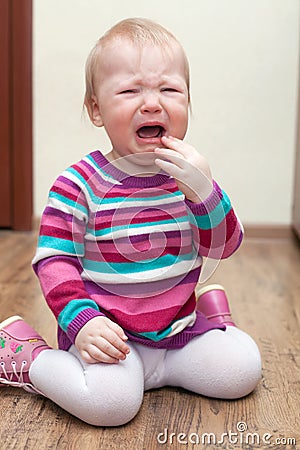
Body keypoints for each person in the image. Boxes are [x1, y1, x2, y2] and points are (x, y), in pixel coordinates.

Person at [0, 18, 261, 426]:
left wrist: (204, 191)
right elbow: (55, 262)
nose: (153, 103)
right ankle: (27, 356)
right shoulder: (78, 183)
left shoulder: (189, 177)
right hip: (111, 340)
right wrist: (82, 321)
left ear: (188, 103)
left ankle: (208, 319)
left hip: (178, 333)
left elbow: (225, 245)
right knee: (111, 405)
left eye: (170, 89)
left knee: (242, 370)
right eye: (130, 90)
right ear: (96, 109)